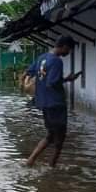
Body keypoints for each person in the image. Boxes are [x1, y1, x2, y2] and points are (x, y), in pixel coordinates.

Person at [23, 36, 82, 168]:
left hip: (44, 103)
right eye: (70, 50)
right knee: (60, 138)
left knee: (50, 135)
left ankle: (31, 161)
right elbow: (52, 83)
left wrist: (25, 84)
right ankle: (51, 167)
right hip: (56, 103)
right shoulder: (56, 61)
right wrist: (67, 79)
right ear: (65, 46)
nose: (69, 53)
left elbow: (28, 72)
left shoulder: (42, 58)